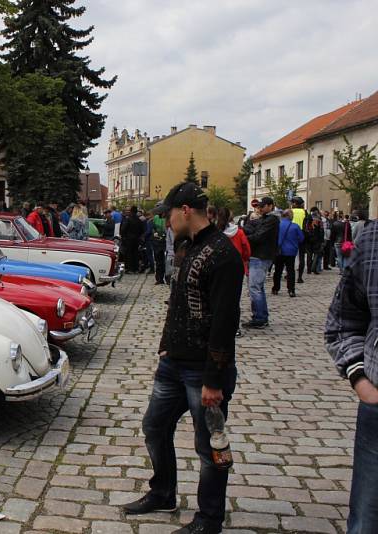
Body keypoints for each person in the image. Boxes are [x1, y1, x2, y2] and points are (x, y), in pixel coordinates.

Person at [123, 182, 243, 534]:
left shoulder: (223, 254)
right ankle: (162, 492)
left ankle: (209, 520)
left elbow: (224, 322)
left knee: (209, 447)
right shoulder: (188, 247)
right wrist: (164, 345)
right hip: (173, 364)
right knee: (154, 426)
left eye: (168, 215)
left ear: (186, 210)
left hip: (202, 371)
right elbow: (177, 305)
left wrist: (213, 380)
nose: (165, 222)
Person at [325, 220, 378, 533]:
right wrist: (360, 378)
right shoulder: (372, 238)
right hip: (376, 405)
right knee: (366, 523)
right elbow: (344, 319)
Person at [243, 197, 280, 329]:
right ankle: (261, 316)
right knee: (258, 287)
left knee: (255, 288)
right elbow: (250, 227)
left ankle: (259, 318)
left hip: (261, 256)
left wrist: (244, 239)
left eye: (263, 206)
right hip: (258, 255)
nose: (260, 208)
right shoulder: (264, 219)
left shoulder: (272, 220)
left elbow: (259, 236)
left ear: (270, 206)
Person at [272, 210, 303, 297]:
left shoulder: (278, 226)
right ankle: (291, 290)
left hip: (279, 251)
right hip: (291, 251)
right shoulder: (295, 226)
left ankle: (275, 288)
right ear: (290, 216)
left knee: (278, 270)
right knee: (290, 271)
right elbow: (301, 238)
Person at [121, 205, 144, 273]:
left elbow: (123, 229)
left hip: (128, 240)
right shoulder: (139, 220)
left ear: (131, 211)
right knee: (136, 254)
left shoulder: (128, 219)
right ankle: (135, 268)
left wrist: (123, 237)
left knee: (128, 254)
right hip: (136, 239)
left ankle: (129, 268)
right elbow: (142, 230)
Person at [152, 208, 167, 284]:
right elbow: (153, 227)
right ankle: (159, 279)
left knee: (166, 261)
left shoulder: (167, 218)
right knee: (158, 261)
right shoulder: (155, 217)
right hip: (157, 242)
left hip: (165, 241)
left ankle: (166, 278)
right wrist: (155, 232)